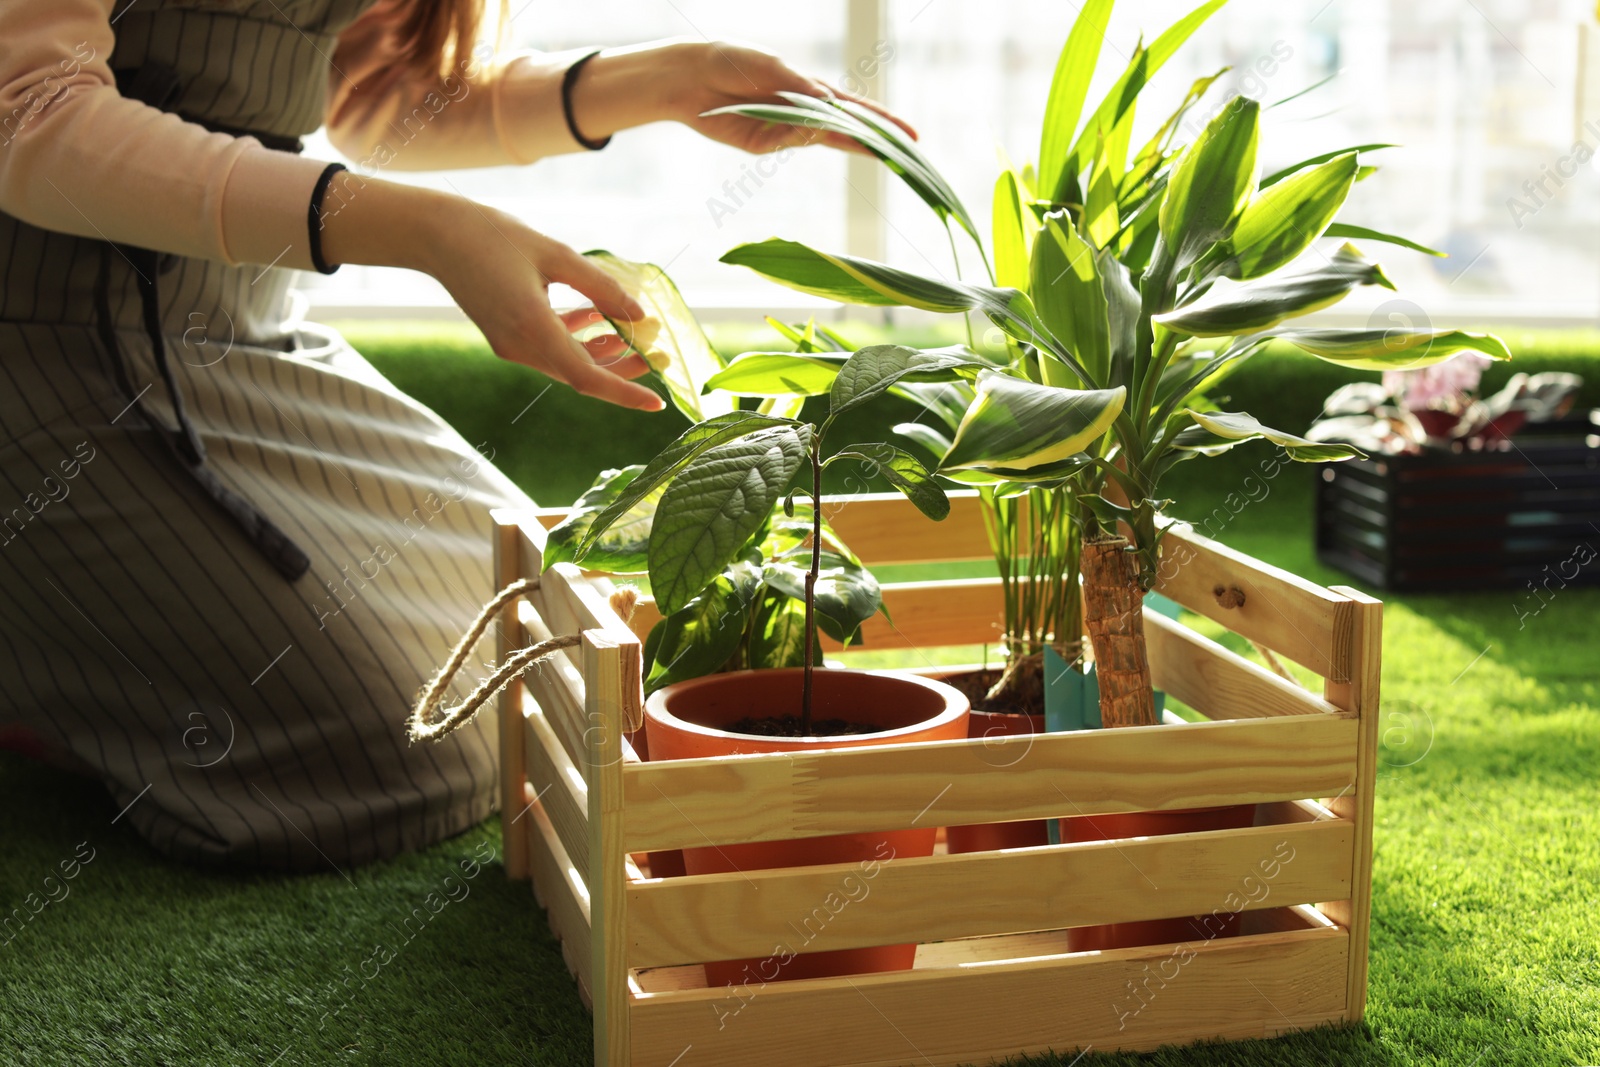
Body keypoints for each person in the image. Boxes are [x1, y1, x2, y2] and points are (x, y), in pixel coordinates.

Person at [0, 0, 911, 871]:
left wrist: (675, 80)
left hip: (236, 327)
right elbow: (28, 112)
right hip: (44, 339)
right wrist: (429, 230)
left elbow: (371, 94)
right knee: (398, 757)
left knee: (543, 650)